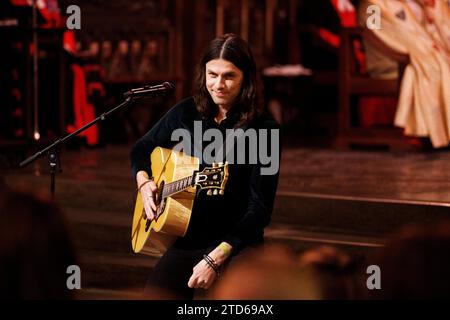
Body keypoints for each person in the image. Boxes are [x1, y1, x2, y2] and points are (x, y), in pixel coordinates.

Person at [130, 33, 281, 299]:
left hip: (238, 243)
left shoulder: (265, 130)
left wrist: (216, 257)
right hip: (191, 237)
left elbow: (260, 209)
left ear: (246, 77)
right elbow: (141, 148)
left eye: (228, 76)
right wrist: (144, 182)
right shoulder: (187, 112)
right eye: (212, 74)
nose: (218, 84)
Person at [359, 0, 450, 148]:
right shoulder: (371, 5)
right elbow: (373, 33)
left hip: (413, 53)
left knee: (441, 62)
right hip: (389, 58)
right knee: (431, 67)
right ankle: (427, 132)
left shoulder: (405, 3)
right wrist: (408, 54)